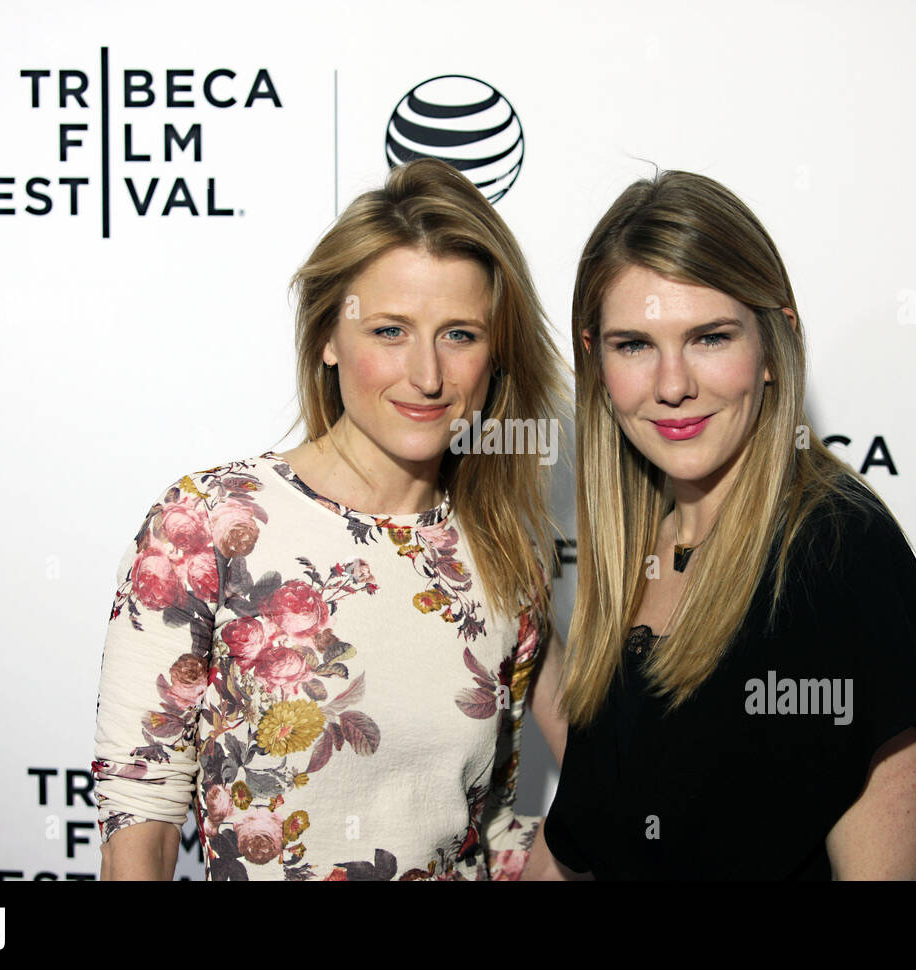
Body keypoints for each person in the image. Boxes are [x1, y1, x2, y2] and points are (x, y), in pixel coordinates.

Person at [92, 157, 570, 881]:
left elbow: (511, 821)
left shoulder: (502, 554)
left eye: (460, 334)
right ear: (327, 338)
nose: (429, 375)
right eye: (388, 330)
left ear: (495, 356)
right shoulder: (207, 526)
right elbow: (142, 825)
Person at [540, 169, 916, 880]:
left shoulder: (841, 557)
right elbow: (582, 831)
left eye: (709, 337)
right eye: (634, 345)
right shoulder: (643, 549)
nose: (672, 384)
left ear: (773, 344)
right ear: (596, 359)